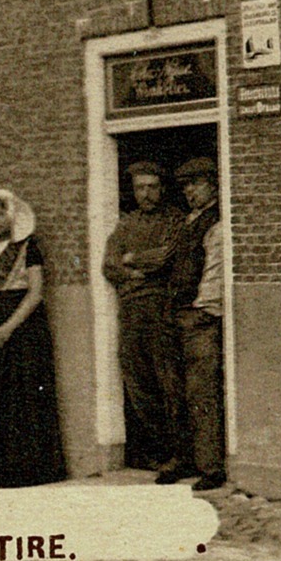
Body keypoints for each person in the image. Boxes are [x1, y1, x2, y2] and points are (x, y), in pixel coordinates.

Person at [0, 190, 66, 488]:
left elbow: (35, 292)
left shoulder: (28, 247)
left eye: (0, 214)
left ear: (11, 216)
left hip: (23, 329)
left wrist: (7, 329)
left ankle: (29, 470)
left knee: (24, 395)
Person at [101, 159, 185, 471]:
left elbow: (165, 257)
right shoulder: (126, 224)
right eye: (140, 188)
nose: (146, 194)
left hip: (161, 310)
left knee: (169, 382)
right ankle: (160, 451)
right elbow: (108, 266)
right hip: (131, 312)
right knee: (138, 382)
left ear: (162, 189)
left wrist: (131, 259)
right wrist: (133, 271)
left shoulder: (174, 219)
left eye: (152, 187)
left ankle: (180, 453)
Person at [157, 157, 226, 491]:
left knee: (202, 393)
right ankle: (184, 458)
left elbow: (215, 271)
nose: (189, 191)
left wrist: (204, 309)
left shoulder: (216, 223)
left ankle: (210, 466)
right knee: (176, 393)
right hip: (177, 315)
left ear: (212, 183)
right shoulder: (189, 221)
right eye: (185, 185)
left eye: (195, 184)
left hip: (199, 318)